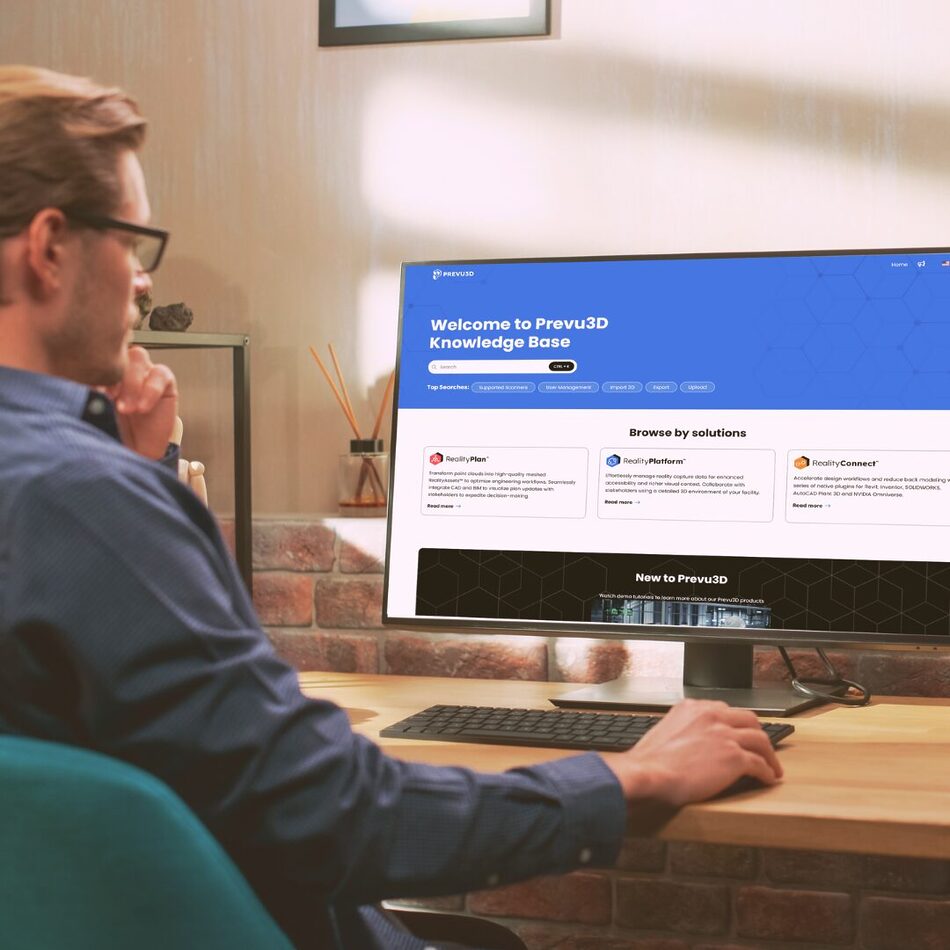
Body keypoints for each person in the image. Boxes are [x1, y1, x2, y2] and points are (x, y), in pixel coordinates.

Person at [0, 66, 783, 950]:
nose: (143, 284)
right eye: (134, 243)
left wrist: (134, 472)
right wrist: (633, 777)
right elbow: (339, 818)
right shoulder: (87, 502)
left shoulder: (80, 488)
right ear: (51, 245)